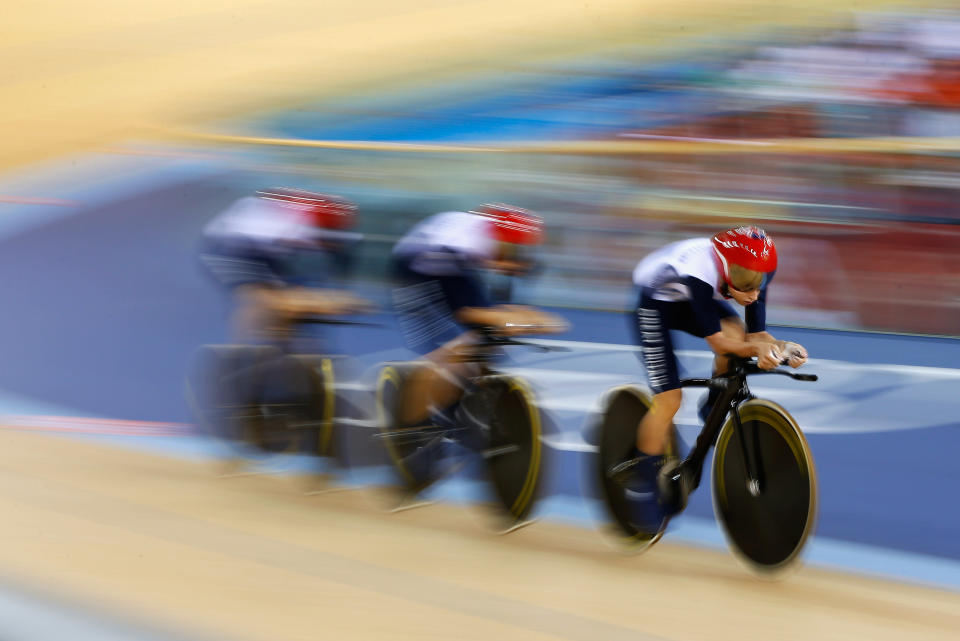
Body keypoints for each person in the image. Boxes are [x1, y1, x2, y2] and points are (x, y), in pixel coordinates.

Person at [628, 225, 808, 534]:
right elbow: (720, 345)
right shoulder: (700, 272)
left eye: (759, 283)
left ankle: (713, 404)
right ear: (725, 269)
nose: (753, 293)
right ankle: (640, 486)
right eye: (745, 284)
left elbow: (756, 335)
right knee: (669, 400)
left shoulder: (755, 269)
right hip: (655, 303)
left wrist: (783, 347)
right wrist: (758, 348)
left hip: (690, 295)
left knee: (739, 331)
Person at [390, 203, 567, 428]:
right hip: (415, 271)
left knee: (490, 335)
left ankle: (463, 397)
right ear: (495, 241)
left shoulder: (501, 250)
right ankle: (411, 423)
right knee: (446, 347)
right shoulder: (458, 248)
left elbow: (507, 306)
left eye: (521, 252)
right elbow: (467, 311)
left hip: (457, 266)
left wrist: (522, 319)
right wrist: (510, 320)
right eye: (510, 251)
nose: (516, 259)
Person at [199, 187, 371, 343]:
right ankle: (241, 350)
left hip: (263, 242)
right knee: (261, 298)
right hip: (230, 246)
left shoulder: (324, 229)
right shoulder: (287, 229)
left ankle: (283, 344)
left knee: (288, 298)